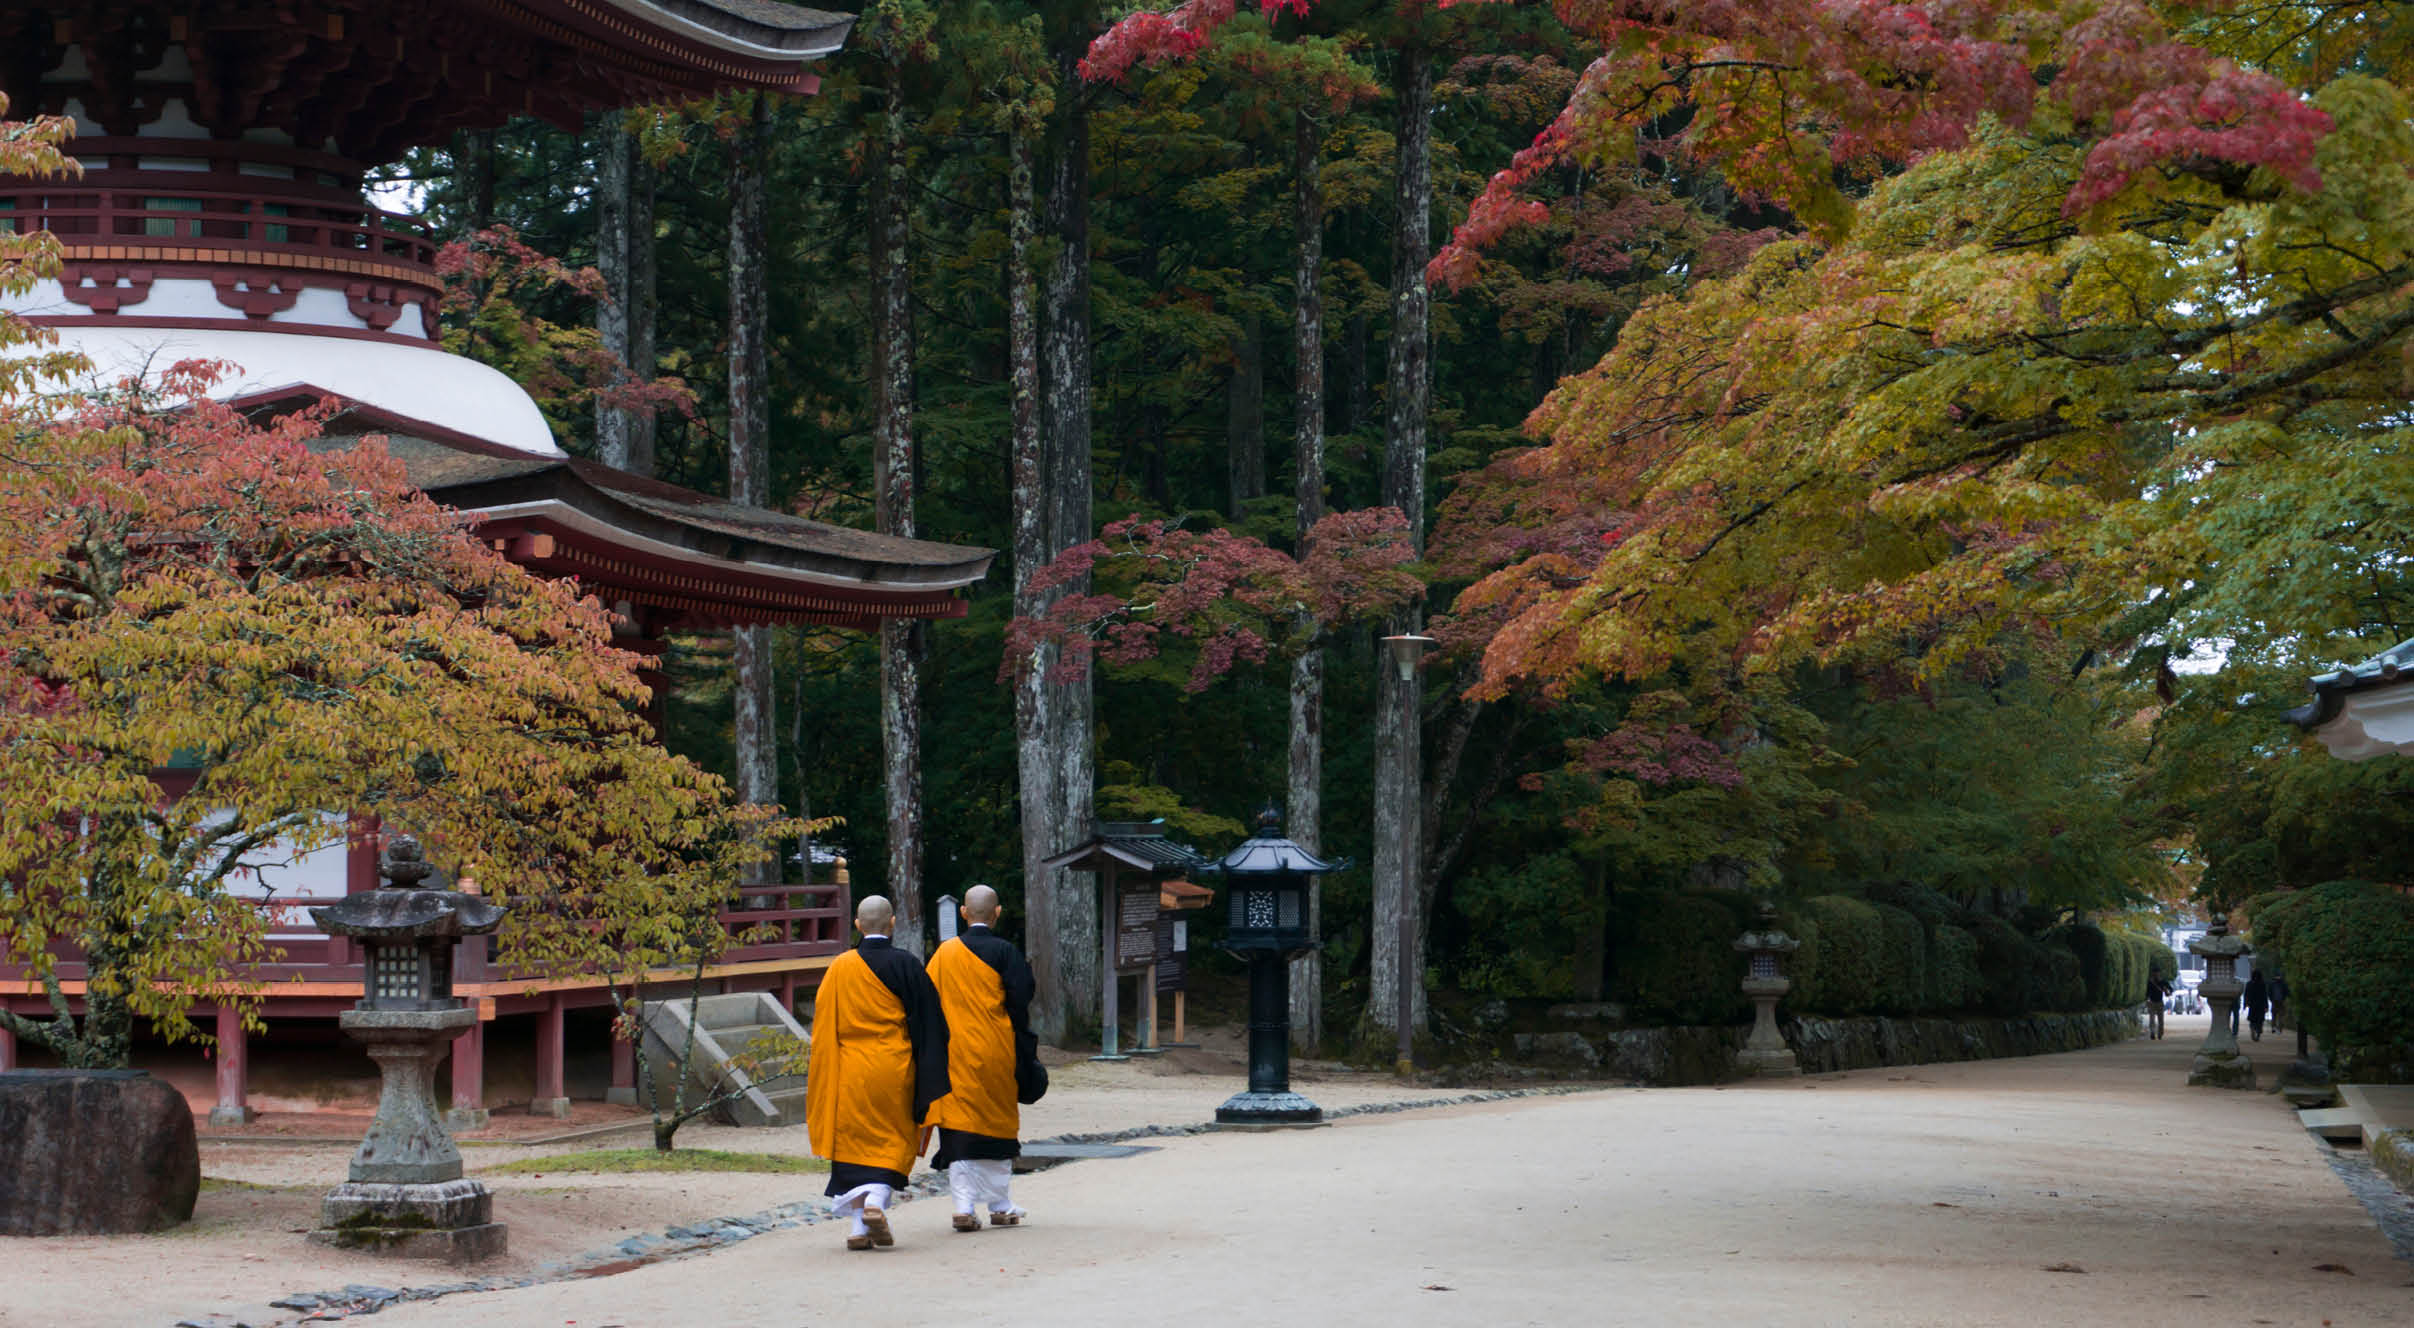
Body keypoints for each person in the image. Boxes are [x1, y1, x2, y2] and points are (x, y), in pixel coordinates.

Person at [806, 896, 950, 1251]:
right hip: (894, 1067)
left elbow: (823, 1026)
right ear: (893, 923)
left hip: (850, 1069)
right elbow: (932, 1023)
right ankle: (875, 1201)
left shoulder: (840, 967)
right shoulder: (906, 964)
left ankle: (858, 1227)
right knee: (894, 1138)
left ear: (857, 925)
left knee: (854, 1145)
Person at [922, 884, 1043, 1232]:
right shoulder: (1005, 952)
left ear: (963, 913)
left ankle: (963, 1205)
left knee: (958, 1128)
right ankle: (1000, 1204)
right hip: (995, 1048)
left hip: (953, 1052)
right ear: (998, 913)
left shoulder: (944, 954)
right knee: (998, 1124)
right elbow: (1021, 997)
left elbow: (927, 999)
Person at [2242, 969, 2269, 1042]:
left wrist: (2245, 1003)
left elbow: (2246, 995)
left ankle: (2253, 1029)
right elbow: (2265, 995)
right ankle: (2258, 1032)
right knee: (2259, 1020)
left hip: (2252, 1005)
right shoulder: (2262, 984)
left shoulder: (2249, 983)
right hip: (2261, 1005)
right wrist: (2266, 1006)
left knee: (2252, 1019)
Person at [2144, 970, 2169, 1039]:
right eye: (2155, 973)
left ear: (2159, 973)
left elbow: (2170, 989)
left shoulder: (2163, 982)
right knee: (2152, 1019)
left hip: (2160, 1002)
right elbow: (2147, 992)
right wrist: (2147, 999)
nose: (2156, 974)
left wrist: (2167, 991)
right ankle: (2152, 1033)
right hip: (2152, 1002)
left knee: (2160, 1019)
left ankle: (2160, 1033)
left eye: (2157, 973)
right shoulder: (2150, 982)